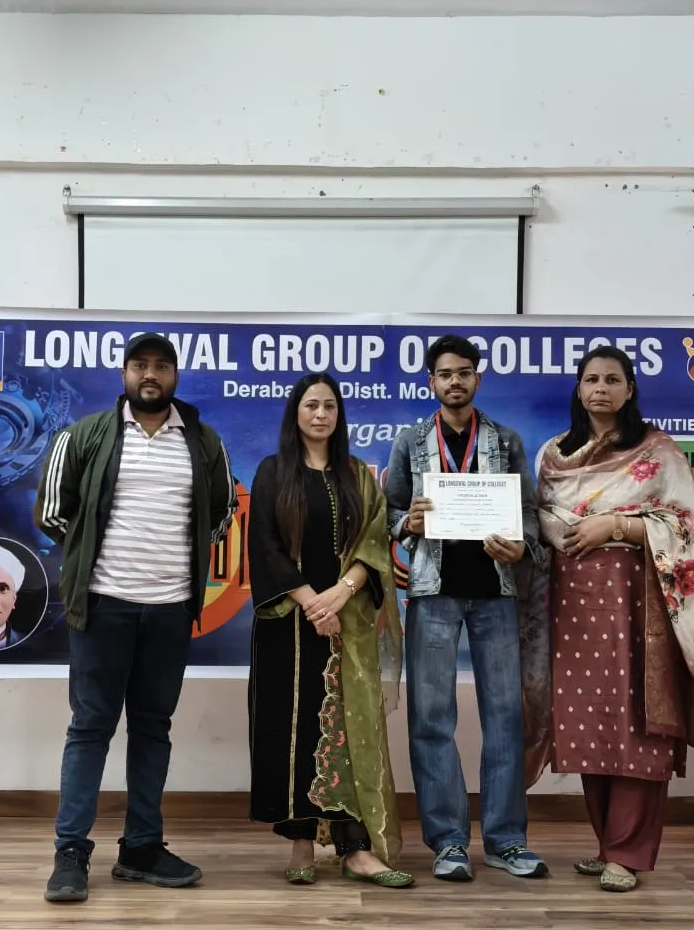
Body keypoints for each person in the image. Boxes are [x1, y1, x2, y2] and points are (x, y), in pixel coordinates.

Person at [32, 332, 237, 903]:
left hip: (171, 609)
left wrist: (174, 563)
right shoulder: (86, 435)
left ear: (175, 376)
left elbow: (221, 513)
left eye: (161, 366)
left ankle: (142, 848)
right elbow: (52, 512)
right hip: (103, 605)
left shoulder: (203, 441)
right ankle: (70, 852)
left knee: (153, 729)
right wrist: (93, 556)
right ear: (124, 374)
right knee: (90, 728)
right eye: (140, 365)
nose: (151, 374)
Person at [536, 345, 694, 893]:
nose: (601, 388)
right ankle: (607, 844)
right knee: (588, 721)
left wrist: (615, 527)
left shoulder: (657, 451)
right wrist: (565, 530)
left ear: (629, 389)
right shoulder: (554, 454)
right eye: (591, 379)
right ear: (578, 389)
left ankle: (629, 852)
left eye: (612, 380)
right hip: (573, 602)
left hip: (641, 602)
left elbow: (690, 527)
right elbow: (542, 516)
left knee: (640, 722)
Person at [384, 334, 548, 882]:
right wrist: (407, 522)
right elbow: (388, 511)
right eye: (445, 374)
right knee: (431, 718)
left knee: (505, 716)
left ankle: (506, 840)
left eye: (463, 372)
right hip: (433, 591)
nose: (454, 381)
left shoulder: (505, 440)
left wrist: (522, 544)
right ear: (430, 381)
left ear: (478, 377)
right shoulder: (410, 441)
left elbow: (529, 511)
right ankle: (448, 841)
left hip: (496, 592)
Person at [247, 373, 413, 889]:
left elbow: (374, 541)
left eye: (330, 407)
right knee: (293, 731)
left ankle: (355, 849)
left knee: (347, 730)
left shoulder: (357, 475)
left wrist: (340, 593)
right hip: (289, 624)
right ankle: (300, 841)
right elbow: (266, 545)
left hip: (349, 623)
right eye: (311, 405)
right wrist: (312, 603)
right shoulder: (274, 471)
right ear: (295, 413)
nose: (321, 414)